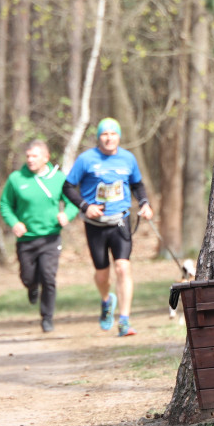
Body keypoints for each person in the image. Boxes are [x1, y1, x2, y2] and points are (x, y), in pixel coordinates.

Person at [63, 117, 154, 336]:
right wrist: (86, 207)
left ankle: (124, 321)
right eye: (104, 134)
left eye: (113, 134)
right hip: (95, 224)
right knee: (102, 275)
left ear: (119, 137)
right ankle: (106, 301)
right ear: (98, 137)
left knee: (123, 267)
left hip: (120, 220)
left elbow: (137, 184)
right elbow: (68, 187)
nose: (109, 138)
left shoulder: (128, 158)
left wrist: (144, 203)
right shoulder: (86, 159)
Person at [0, 140, 79, 332]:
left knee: (48, 277)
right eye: (28, 156)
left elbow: (73, 202)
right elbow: (5, 205)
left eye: (35, 156)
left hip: (51, 237)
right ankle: (32, 286)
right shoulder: (16, 179)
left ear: (46, 157)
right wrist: (14, 223)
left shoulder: (58, 178)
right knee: (28, 277)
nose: (30, 160)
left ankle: (47, 318)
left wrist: (67, 215)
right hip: (26, 239)